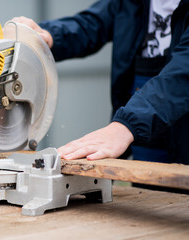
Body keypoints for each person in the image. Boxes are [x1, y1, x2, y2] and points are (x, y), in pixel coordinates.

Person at [12, 0, 189, 167]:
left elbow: (182, 74)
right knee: (151, 194)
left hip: (179, 130)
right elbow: (92, 24)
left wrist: (125, 126)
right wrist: (48, 35)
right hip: (141, 131)